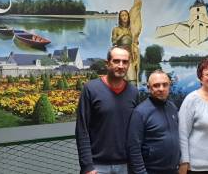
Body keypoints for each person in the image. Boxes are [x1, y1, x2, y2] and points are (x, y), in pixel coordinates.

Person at [75, 46, 139, 174]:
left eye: (125, 62)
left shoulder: (133, 92)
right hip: (97, 166)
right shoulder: (91, 89)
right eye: (116, 61)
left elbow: (136, 131)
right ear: (107, 63)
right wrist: (87, 166)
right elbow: (82, 130)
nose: (121, 65)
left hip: (126, 165)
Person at [127, 70, 180, 174]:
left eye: (165, 85)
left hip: (173, 170)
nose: (161, 89)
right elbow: (133, 148)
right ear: (148, 88)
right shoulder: (140, 112)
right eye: (156, 85)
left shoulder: (172, 107)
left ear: (169, 86)